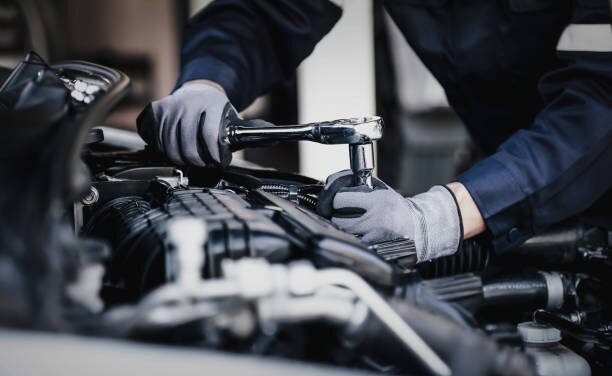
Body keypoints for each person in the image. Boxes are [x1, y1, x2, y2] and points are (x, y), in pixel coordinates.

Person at [137, 0, 612, 263]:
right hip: (508, 178)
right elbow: (268, 11)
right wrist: (207, 79)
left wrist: (446, 215)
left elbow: (604, 100)